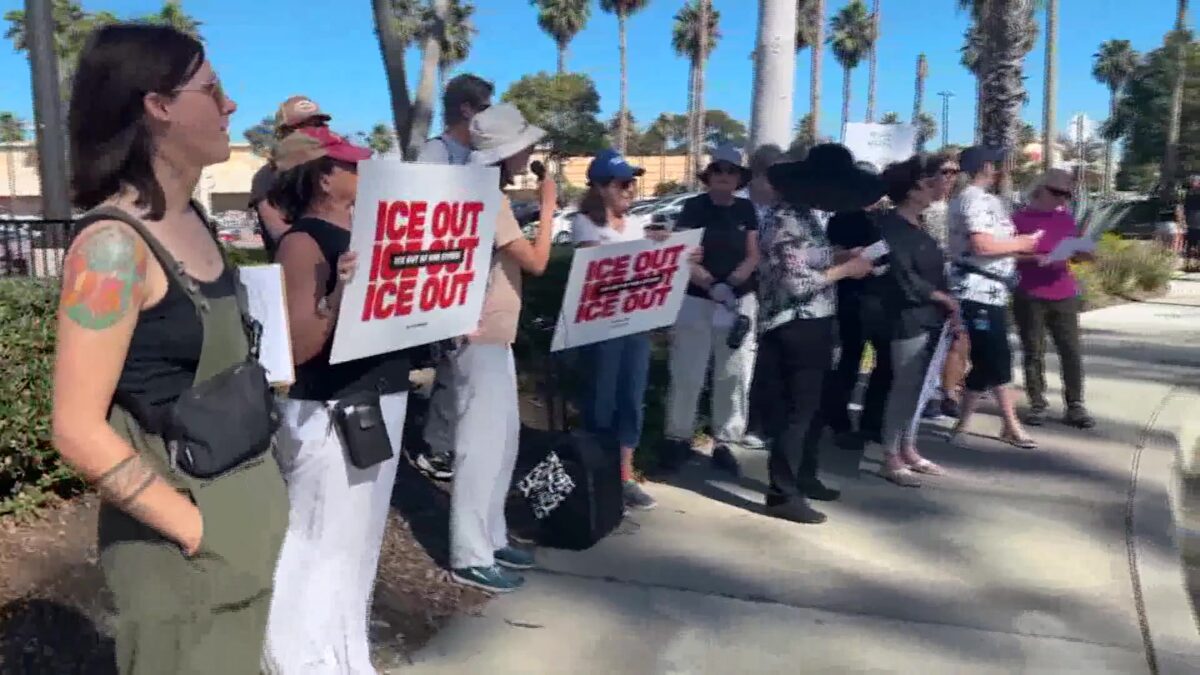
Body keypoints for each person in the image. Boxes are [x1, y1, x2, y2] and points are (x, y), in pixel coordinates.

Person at [52, 23, 287, 674]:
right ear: (157, 106)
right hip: (183, 559)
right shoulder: (110, 248)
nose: (230, 104)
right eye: (213, 89)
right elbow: (74, 427)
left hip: (240, 540)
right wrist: (196, 530)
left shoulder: (193, 220)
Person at [260, 126, 406, 673]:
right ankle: (298, 657)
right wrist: (343, 295)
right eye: (353, 166)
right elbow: (298, 347)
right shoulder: (304, 243)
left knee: (356, 542)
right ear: (326, 177)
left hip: (374, 398)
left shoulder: (365, 232)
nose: (364, 174)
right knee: (316, 538)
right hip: (330, 411)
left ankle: (341, 653)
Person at [449, 103, 557, 593]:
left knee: (502, 442)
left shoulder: (482, 194)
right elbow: (536, 261)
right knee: (481, 445)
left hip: (493, 333)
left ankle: (489, 538)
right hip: (481, 335)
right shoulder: (488, 201)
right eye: (526, 147)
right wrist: (550, 206)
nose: (531, 153)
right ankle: (469, 552)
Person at [752, 144, 877, 525]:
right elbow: (794, 282)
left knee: (813, 408)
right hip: (794, 325)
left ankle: (803, 476)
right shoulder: (785, 219)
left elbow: (806, 259)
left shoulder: (802, 215)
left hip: (813, 322)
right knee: (797, 411)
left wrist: (835, 256)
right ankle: (782, 491)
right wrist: (847, 270)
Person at [572, 149, 675, 512]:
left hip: (636, 324)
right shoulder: (586, 224)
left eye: (633, 183)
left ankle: (624, 475)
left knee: (631, 399)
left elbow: (647, 264)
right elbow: (595, 264)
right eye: (623, 183)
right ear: (600, 187)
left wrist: (668, 251)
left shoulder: (634, 224)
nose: (630, 190)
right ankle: (597, 476)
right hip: (600, 327)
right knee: (601, 401)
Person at [413, 73, 496, 483]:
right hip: (445, 279)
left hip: (477, 275)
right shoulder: (435, 154)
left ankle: (455, 441)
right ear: (467, 110)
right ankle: (438, 448)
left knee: (466, 369)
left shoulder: (478, 158)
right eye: (485, 109)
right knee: (453, 367)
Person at [662, 142, 762, 472]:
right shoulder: (693, 207)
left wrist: (731, 284)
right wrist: (709, 283)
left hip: (738, 299)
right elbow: (683, 253)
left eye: (730, 171)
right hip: (696, 298)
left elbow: (753, 254)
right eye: (718, 170)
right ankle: (678, 438)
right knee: (688, 372)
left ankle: (725, 440)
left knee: (733, 374)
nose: (723, 176)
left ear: (739, 177)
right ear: (709, 175)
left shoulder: (746, 211)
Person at [945, 146, 1043, 448]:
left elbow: (994, 248)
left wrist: (1029, 253)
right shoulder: (975, 201)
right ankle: (1010, 425)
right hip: (978, 293)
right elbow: (982, 247)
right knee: (998, 357)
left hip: (993, 290)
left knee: (988, 359)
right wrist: (1024, 242)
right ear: (986, 167)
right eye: (996, 163)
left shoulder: (988, 202)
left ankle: (963, 423)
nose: (1001, 169)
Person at [875, 155, 960, 487]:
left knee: (920, 388)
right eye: (927, 183)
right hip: (906, 316)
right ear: (911, 191)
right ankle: (889, 455)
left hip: (932, 316)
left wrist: (947, 306)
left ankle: (908, 447)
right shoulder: (892, 227)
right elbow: (902, 276)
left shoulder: (920, 224)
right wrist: (941, 297)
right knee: (903, 387)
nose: (936, 186)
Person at [1011, 169, 1096, 429]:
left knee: (1070, 350)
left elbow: (1079, 252)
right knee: (1033, 350)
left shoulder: (1066, 219)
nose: (1063, 199)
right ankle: (1037, 403)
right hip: (1030, 293)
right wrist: (1035, 258)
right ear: (1040, 189)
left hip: (1064, 292)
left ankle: (1075, 405)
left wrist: (1084, 252)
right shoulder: (1018, 219)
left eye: (1067, 194)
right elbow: (1006, 254)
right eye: (1057, 193)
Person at [822, 203, 891, 451]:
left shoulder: (885, 219)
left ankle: (870, 423)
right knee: (851, 358)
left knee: (881, 361)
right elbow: (833, 252)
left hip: (879, 295)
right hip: (852, 293)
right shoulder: (844, 217)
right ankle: (838, 418)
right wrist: (855, 257)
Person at [248, 96, 332, 260]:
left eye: (319, 124)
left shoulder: (333, 170)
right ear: (284, 134)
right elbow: (284, 238)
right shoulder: (268, 176)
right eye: (303, 127)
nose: (315, 132)